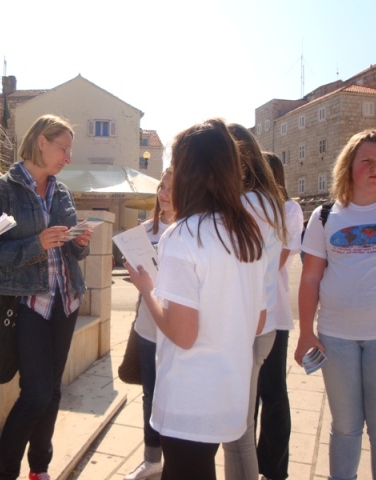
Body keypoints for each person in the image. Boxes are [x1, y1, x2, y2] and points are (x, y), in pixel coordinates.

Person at [127, 118, 267, 479]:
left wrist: (147, 289)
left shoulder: (183, 236)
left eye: (176, 166)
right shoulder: (249, 233)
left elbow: (183, 334)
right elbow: (259, 319)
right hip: (229, 392)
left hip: (189, 398)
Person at [0, 114, 92, 480]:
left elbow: (74, 252)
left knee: (52, 392)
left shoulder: (62, 191)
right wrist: (35, 244)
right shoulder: (1, 190)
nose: (68, 157)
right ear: (42, 142)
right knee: (36, 394)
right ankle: (6, 472)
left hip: (66, 300)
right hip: (26, 304)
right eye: (64, 148)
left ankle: (39, 469)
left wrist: (79, 243)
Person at [294, 130, 376, 480]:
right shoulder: (325, 215)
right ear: (348, 166)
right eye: (367, 161)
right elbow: (310, 278)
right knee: (344, 428)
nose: (375, 168)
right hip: (336, 338)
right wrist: (305, 332)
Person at [222, 124, 285, 480]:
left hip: (248, 329)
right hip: (258, 327)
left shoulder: (247, 205)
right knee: (238, 430)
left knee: (238, 433)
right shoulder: (264, 202)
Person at [255, 152, 304, 480]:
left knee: (272, 392)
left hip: (275, 314)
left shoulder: (289, 210)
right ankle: (247, 464)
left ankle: (273, 470)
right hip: (247, 316)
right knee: (247, 399)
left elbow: (279, 259)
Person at [125, 167, 175, 480]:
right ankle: (152, 458)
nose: (163, 193)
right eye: (161, 187)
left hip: (179, 328)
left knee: (177, 396)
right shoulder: (144, 231)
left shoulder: (191, 230)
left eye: (170, 187)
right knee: (151, 395)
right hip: (148, 327)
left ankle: (177, 457)